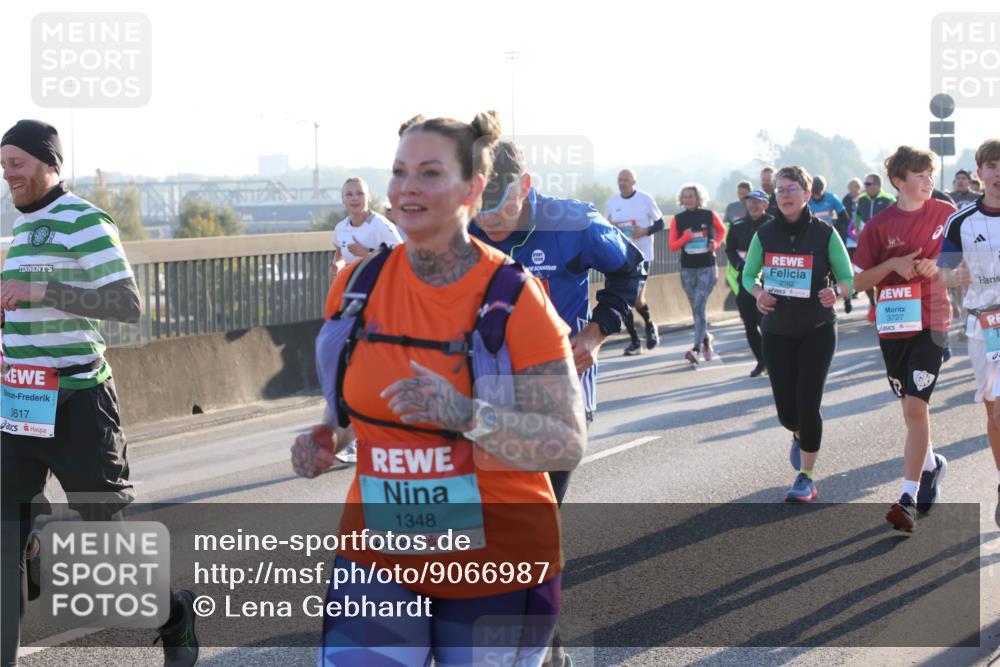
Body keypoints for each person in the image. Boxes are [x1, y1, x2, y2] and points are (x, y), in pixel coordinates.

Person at [291, 111, 587, 667]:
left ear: (473, 187)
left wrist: (465, 415)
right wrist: (327, 435)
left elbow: (566, 442)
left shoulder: (516, 300)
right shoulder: (355, 287)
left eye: (429, 172)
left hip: (498, 561)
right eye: (399, 172)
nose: (406, 188)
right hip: (380, 552)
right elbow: (353, 412)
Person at [0, 120, 198, 667]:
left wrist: (38, 288)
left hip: (79, 401)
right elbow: (27, 312)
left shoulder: (85, 220)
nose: (7, 172)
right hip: (21, 401)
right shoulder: (24, 228)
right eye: (2, 163)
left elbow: (126, 304)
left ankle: (174, 616)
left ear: (49, 163)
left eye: (16, 162)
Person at [853, 146, 955, 533]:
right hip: (893, 325)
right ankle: (931, 467)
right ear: (899, 181)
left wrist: (940, 266)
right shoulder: (878, 227)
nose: (929, 180)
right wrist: (892, 265)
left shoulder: (946, 215)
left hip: (933, 321)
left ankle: (907, 497)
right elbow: (856, 282)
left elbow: (964, 269)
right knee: (909, 407)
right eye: (921, 175)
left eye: (931, 173)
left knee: (916, 406)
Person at [742, 166, 853, 502]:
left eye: (791, 189)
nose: (785, 195)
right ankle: (798, 432)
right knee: (787, 411)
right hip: (776, 330)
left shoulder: (825, 233)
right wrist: (758, 293)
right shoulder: (764, 234)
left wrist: (837, 292)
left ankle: (806, 477)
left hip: (817, 328)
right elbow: (749, 276)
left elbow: (848, 278)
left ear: (806, 194)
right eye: (780, 190)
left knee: (808, 401)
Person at [940, 139, 1000, 527]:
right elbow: (940, 269)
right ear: (979, 174)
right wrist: (953, 276)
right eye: (992, 166)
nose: (999, 173)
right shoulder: (960, 221)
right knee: (996, 408)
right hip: (986, 324)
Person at [604, 168, 665, 354]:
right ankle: (635, 341)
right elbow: (605, 226)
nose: (622, 183)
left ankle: (650, 325)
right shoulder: (613, 202)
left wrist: (644, 232)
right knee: (624, 301)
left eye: (626, 180)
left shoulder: (645, 199)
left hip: (642, 256)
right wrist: (611, 227)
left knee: (637, 299)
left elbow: (661, 223)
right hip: (621, 257)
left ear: (633, 182)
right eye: (620, 180)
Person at [668, 184, 726, 364]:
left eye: (691, 196)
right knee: (697, 310)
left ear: (699, 198)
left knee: (699, 307)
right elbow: (672, 246)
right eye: (684, 197)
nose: (687, 200)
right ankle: (707, 338)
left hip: (707, 268)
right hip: (687, 270)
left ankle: (696, 349)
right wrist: (685, 237)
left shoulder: (709, 215)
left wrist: (715, 244)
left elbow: (722, 231)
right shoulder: (677, 219)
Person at [726, 189, 772, 377]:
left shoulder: (773, 224)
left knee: (766, 323)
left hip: (769, 282)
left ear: (765, 205)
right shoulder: (737, 226)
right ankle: (761, 362)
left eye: (757, 202)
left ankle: (774, 360)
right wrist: (739, 264)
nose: (752, 205)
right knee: (749, 323)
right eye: (749, 202)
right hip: (746, 282)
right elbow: (729, 250)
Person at [329, 176, 403, 282]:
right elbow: (340, 254)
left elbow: (400, 257)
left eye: (360, 193)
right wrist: (337, 267)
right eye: (349, 194)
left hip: (379, 288)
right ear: (343, 199)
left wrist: (366, 253)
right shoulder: (340, 228)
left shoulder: (381, 225)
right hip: (352, 288)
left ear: (369, 197)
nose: (355, 198)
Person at [851, 173, 896, 321]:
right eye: (865, 184)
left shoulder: (889, 199)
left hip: (884, 244)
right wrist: (857, 229)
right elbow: (857, 215)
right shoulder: (862, 199)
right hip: (865, 243)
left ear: (877, 185)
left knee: (884, 275)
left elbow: (896, 218)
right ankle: (873, 303)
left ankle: (887, 305)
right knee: (864, 274)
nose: (865, 187)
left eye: (868, 184)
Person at [841, 178, 862, 244]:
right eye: (849, 189)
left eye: (851, 188)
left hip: (861, 225)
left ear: (858, 187)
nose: (850, 191)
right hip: (850, 227)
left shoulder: (864, 198)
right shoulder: (846, 199)